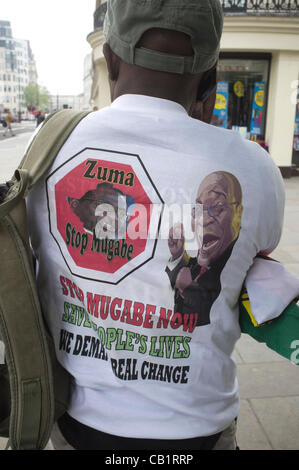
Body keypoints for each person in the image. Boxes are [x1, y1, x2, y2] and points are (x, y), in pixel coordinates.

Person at [26, 0, 285, 450]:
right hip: (200, 430)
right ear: (210, 73)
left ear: (109, 58)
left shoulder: (48, 146)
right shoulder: (255, 169)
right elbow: (257, 256)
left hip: (75, 423)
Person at [166, 171, 243, 327]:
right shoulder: (205, 259)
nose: (203, 220)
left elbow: (208, 315)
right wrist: (178, 256)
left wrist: (187, 290)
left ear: (237, 213)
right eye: (198, 209)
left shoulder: (237, 261)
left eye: (217, 208)